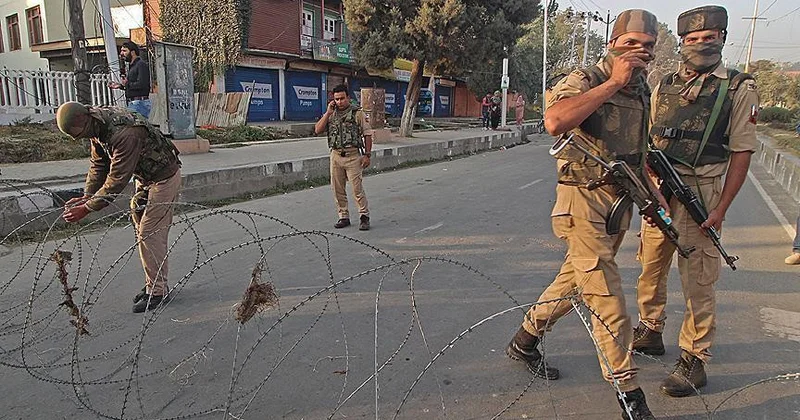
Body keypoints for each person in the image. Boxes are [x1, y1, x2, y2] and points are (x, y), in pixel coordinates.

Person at [505, 10, 659, 419]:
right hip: (581, 201)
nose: (639, 52)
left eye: (648, 46)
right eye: (631, 43)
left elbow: (635, 150)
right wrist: (613, 83)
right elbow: (555, 120)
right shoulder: (588, 79)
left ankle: (525, 338)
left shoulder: (642, 91)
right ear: (612, 43)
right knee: (606, 296)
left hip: (618, 202)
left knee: (576, 279)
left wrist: (651, 190)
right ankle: (630, 395)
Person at [634, 5, 760, 398]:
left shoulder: (738, 87)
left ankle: (695, 357)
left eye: (710, 38)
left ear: (722, 39)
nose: (702, 44)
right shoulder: (664, 84)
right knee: (650, 265)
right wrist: (650, 182)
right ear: (682, 43)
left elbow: (741, 152)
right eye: (693, 39)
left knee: (699, 279)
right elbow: (649, 141)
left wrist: (721, 208)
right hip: (660, 192)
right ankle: (650, 328)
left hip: (700, 194)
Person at [56, 101, 181, 313]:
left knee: (149, 232)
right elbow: (99, 165)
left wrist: (87, 208)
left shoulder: (124, 133)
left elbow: (116, 180)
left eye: (81, 133)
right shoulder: (97, 125)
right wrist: (87, 196)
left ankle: (158, 291)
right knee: (142, 225)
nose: (84, 138)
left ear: (83, 120)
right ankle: (155, 282)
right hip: (145, 176)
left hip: (163, 177)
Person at [314, 84, 373, 231]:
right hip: (336, 155)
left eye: (342, 98)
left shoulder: (357, 113)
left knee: (357, 189)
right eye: (336, 99)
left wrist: (367, 155)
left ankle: (364, 216)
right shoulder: (331, 114)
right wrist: (327, 113)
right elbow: (317, 129)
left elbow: (367, 135)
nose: (339, 102)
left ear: (348, 98)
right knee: (337, 189)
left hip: (353, 155)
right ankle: (343, 216)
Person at [109, 42, 152, 118]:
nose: (122, 53)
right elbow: (131, 85)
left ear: (132, 52)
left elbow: (142, 84)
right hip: (133, 102)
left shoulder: (141, 64)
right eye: (121, 51)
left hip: (139, 103)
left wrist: (127, 84)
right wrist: (120, 86)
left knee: (136, 127)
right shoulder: (131, 66)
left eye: (125, 51)